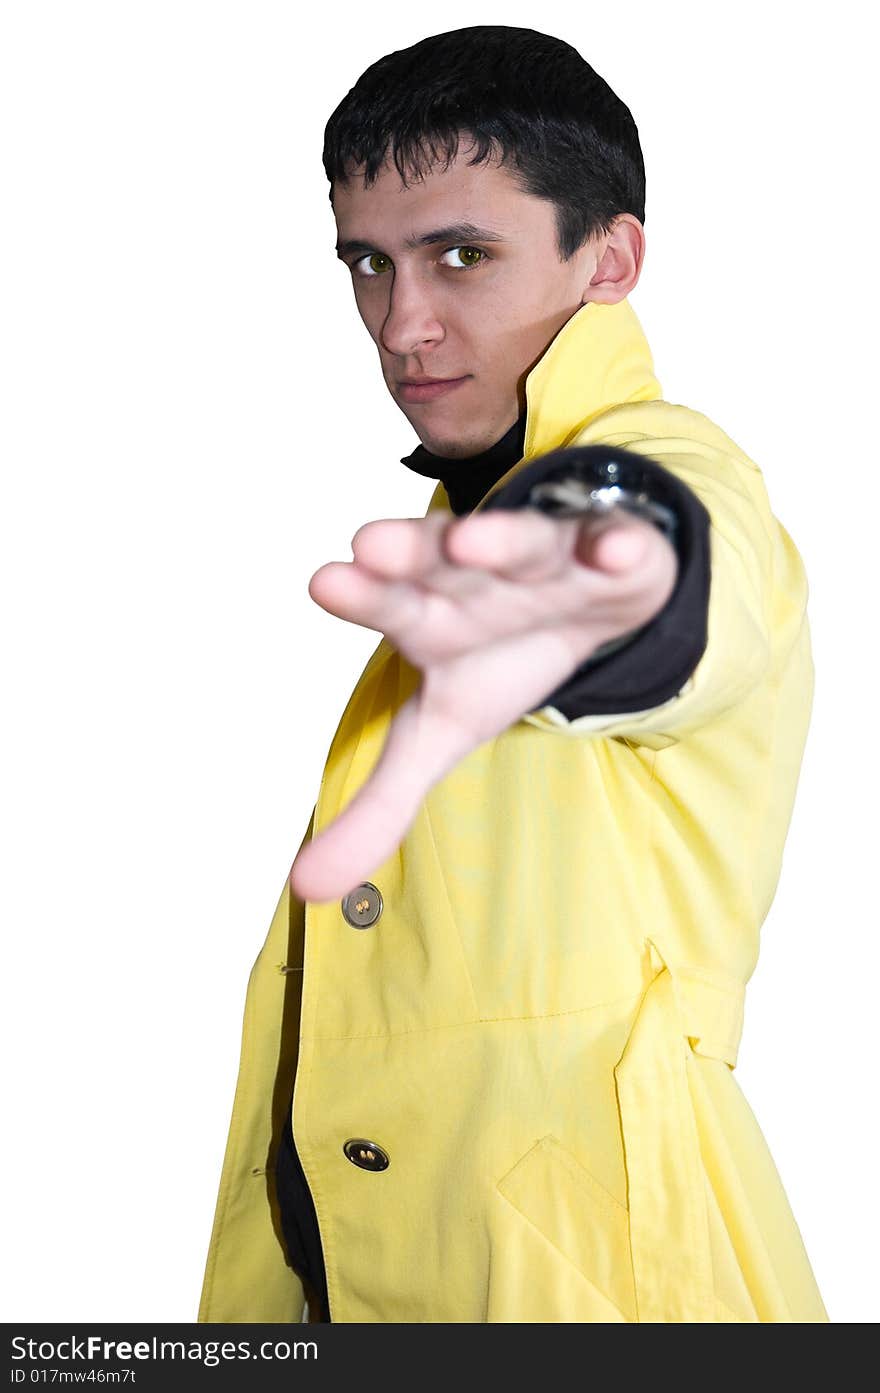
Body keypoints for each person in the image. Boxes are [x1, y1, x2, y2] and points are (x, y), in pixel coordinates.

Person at [197, 25, 828, 1324]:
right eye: (367, 262)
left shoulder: (658, 477)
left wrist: (618, 579)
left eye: (461, 255)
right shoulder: (448, 564)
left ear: (613, 258)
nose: (400, 323)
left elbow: (684, 560)